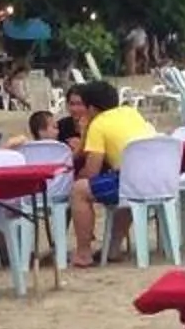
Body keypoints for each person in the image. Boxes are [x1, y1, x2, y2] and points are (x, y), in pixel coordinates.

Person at [64, 76, 152, 267]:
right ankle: (113, 248)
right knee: (125, 192)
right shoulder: (131, 112)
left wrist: (77, 178)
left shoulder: (99, 124)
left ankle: (83, 254)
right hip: (155, 180)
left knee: (80, 190)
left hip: (129, 181)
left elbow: (92, 171)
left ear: (92, 108)